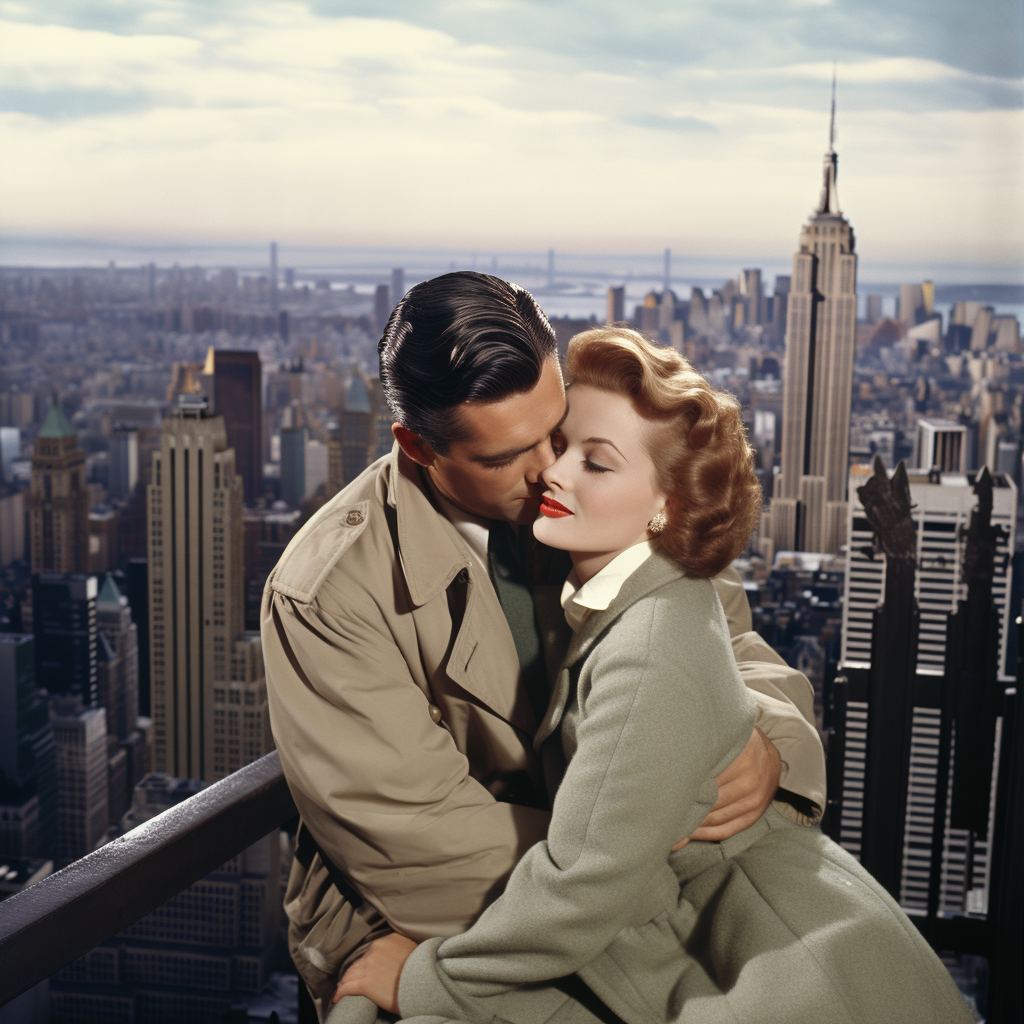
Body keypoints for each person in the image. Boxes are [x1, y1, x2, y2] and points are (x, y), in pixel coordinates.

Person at [334, 327, 974, 1024]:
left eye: (596, 464)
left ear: (666, 505)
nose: (553, 472)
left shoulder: (645, 650)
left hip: (778, 966)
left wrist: (428, 982)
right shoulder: (657, 596)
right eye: (562, 445)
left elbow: (584, 884)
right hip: (744, 928)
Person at [262, 273, 826, 1022]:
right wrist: (647, 830)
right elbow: (429, 845)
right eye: (506, 457)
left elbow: (727, 638)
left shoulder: (598, 471)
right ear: (416, 447)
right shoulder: (325, 593)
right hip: (435, 911)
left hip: (613, 871)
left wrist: (771, 743)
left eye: (556, 430)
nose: (550, 472)